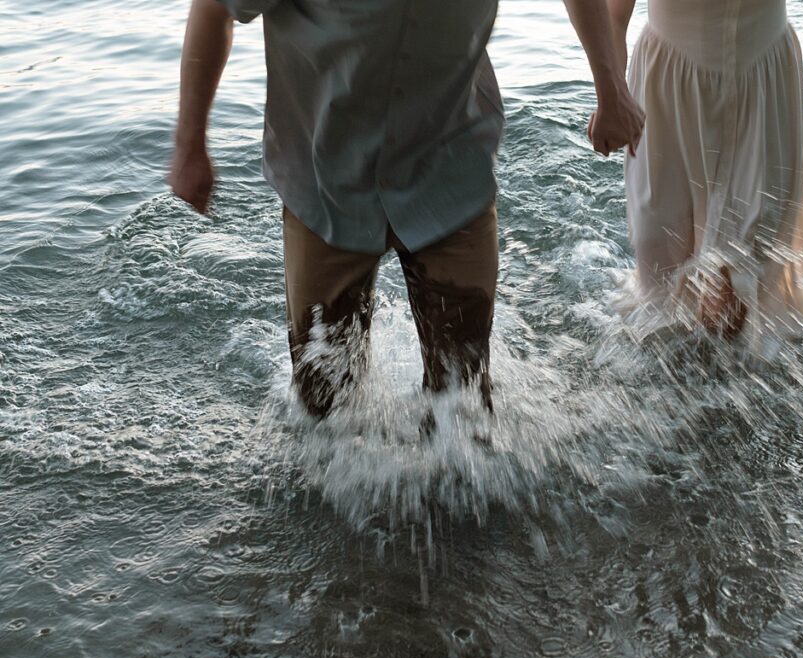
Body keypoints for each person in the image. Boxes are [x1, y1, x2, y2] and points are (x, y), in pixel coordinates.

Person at [169, 0, 644, 418]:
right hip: (325, 177)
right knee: (323, 405)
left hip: (449, 165)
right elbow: (214, 8)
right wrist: (190, 145)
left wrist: (611, 89)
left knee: (463, 401)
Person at [606, 0, 803, 349]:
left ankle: (726, 393)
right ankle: (669, 391)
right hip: (666, 86)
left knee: (733, 288)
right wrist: (610, 94)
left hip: (761, 84)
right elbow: (613, 15)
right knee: (660, 289)